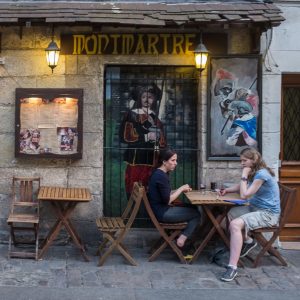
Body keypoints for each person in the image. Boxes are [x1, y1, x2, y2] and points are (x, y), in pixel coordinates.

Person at [219, 148, 280, 282]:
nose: (242, 163)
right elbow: (242, 186)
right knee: (228, 217)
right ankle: (247, 240)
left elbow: (244, 194)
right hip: (254, 208)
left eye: (244, 161)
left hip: (267, 214)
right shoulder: (256, 172)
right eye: (241, 160)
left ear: (254, 160)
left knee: (235, 225)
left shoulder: (261, 174)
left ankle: (232, 267)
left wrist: (244, 174)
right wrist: (227, 190)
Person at [120, 83, 166, 198]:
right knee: (135, 188)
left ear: (154, 99)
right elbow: (125, 136)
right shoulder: (131, 115)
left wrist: (158, 137)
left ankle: (149, 212)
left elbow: (163, 140)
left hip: (152, 159)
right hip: (136, 159)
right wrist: (146, 137)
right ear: (140, 99)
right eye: (144, 97)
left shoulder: (155, 118)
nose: (147, 100)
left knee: (150, 188)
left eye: (150, 97)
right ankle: (135, 212)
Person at [148, 148, 201, 248]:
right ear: (164, 162)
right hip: (162, 213)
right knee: (196, 214)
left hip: (159, 210)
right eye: (173, 160)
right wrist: (180, 189)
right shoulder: (161, 176)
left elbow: (164, 194)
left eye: (176, 160)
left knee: (193, 208)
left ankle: (182, 237)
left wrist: (178, 190)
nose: (175, 163)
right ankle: (181, 239)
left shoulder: (159, 173)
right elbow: (168, 200)